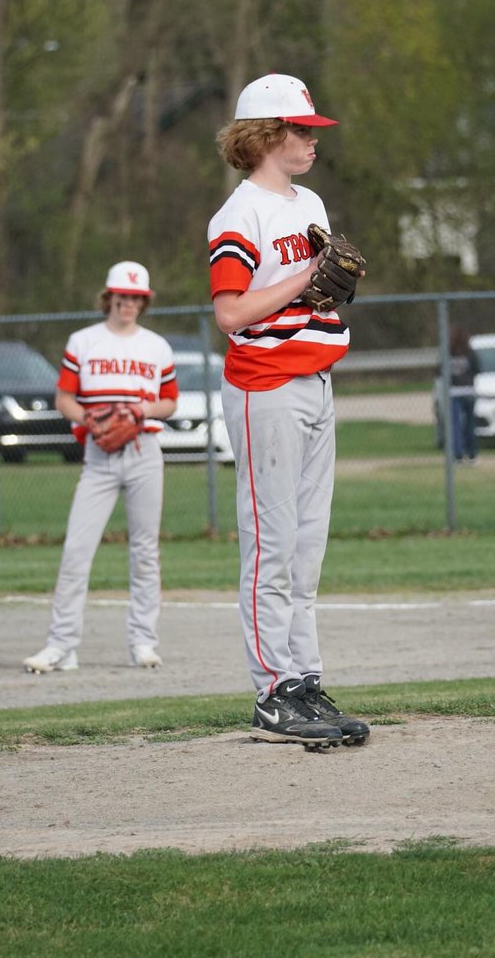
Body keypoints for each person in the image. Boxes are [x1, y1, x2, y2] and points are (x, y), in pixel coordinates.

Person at [207, 72, 370, 747]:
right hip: (265, 388)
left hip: (316, 381)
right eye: (301, 130)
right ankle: (272, 692)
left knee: (306, 549)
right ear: (266, 136)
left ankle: (304, 680)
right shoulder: (238, 215)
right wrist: (307, 276)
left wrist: (327, 293)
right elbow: (232, 311)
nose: (312, 140)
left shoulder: (312, 203)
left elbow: (314, 301)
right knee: (270, 549)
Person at [23, 261, 179, 674]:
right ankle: (61, 645)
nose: (127, 303)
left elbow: (169, 402)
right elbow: (65, 399)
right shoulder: (83, 341)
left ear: (144, 302)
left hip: (144, 450)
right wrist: (89, 419)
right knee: (77, 549)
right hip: (99, 455)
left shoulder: (157, 346)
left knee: (145, 551)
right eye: (121, 296)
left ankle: (143, 642)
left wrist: (139, 407)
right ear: (108, 297)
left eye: (135, 298)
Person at [448, 323, 480, 464]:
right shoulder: (470, 353)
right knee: (469, 424)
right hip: (468, 391)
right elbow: (477, 369)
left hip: (455, 392)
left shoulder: (449, 353)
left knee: (457, 425)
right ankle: (472, 454)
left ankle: (458, 455)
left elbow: (439, 370)